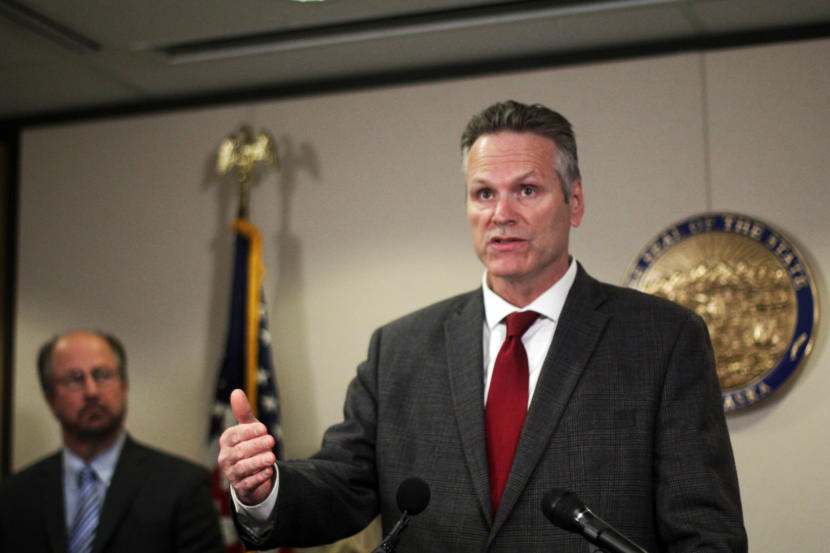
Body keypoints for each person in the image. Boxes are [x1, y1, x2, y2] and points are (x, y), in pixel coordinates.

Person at [218, 100, 747, 552]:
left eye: (527, 190)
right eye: (484, 194)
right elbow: (344, 483)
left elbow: (705, 532)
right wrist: (263, 489)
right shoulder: (400, 349)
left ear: (575, 202)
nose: (501, 214)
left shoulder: (662, 339)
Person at [0, 330, 224, 553]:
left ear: (125, 385)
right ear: (50, 397)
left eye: (102, 375)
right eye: (75, 379)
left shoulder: (183, 486)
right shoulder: (13, 496)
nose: (91, 391)